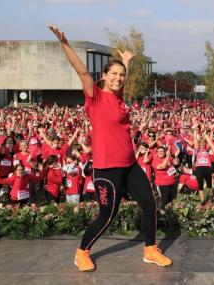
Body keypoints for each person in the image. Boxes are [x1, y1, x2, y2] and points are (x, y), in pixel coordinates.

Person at [49, 26, 172, 272]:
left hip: (130, 165)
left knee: (149, 205)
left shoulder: (118, 97)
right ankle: (82, 252)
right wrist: (65, 43)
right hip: (107, 169)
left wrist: (125, 61)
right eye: (113, 73)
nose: (118, 78)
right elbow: (81, 70)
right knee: (107, 215)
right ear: (103, 75)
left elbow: (121, 79)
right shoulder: (94, 96)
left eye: (121, 75)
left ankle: (150, 249)